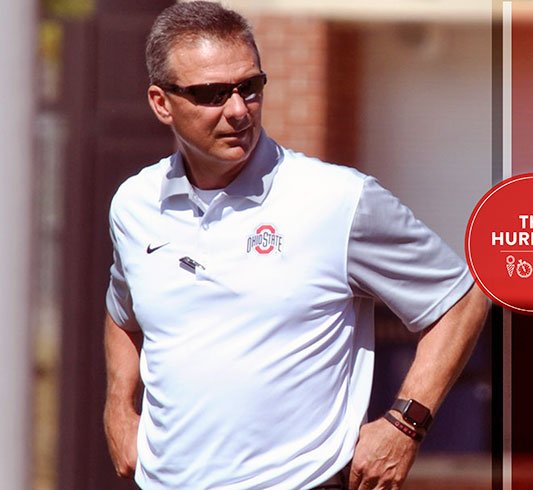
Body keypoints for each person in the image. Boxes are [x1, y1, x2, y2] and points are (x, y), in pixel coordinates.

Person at [102, 2, 488, 489]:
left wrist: (403, 426)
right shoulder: (134, 204)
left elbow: (461, 299)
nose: (238, 110)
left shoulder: (339, 199)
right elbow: (123, 313)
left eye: (250, 87)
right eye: (213, 94)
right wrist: (119, 406)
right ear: (161, 102)